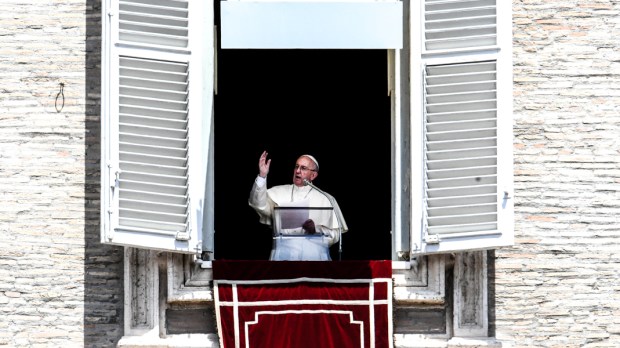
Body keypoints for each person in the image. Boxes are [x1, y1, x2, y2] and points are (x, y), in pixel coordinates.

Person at [248, 151, 348, 260]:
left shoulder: (326, 198)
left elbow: (336, 235)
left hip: (314, 257)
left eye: (303, 168)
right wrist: (262, 176)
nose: (298, 171)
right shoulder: (279, 192)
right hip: (283, 256)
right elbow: (258, 204)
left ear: (313, 175)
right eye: (296, 167)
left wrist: (316, 230)